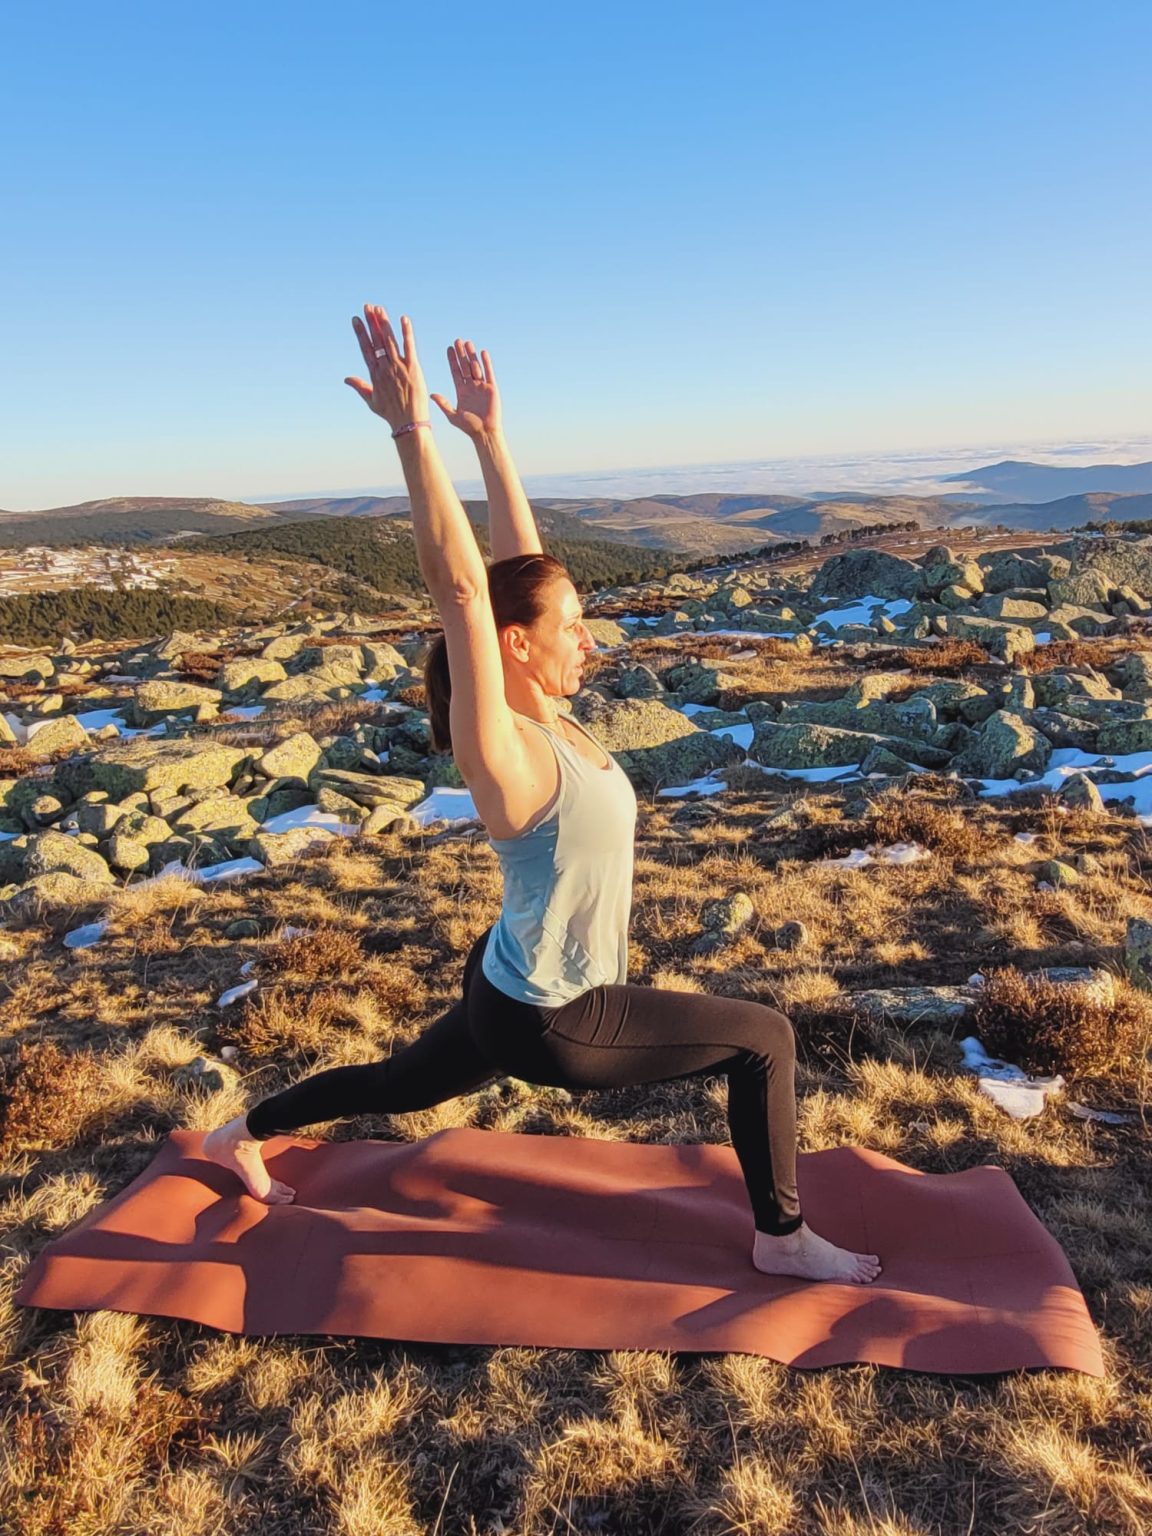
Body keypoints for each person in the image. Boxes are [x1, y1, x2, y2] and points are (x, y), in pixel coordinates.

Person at [204, 304, 882, 1285]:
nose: (589, 639)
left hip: (503, 978)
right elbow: (468, 593)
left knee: (404, 1081)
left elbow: (522, 580)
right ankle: (782, 1240)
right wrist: (412, 434)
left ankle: (246, 1132)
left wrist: (491, 438)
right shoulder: (506, 750)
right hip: (555, 1020)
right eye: (574, 628)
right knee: (766, 1039)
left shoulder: (544, 705)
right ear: (519, 647)